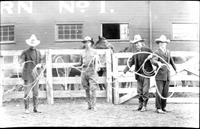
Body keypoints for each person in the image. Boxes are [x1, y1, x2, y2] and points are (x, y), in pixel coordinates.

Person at [123, 34, 154, 112]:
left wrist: (153, 60)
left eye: (138, 43)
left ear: (141, 42)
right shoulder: (135, 53)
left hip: (146, 74)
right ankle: (140, 106)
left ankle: (144, 106)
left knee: (145, 91)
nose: (136, 45)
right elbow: (130, 62)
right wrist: (124, 71)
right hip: (138, 75)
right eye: (135, 43)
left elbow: (155, 58)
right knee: (139, 91)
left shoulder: (147, 50)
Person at [151, 35, 177, 114]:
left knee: (165, 92)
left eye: (164, 42)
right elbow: (153, 60)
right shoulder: (156, 52)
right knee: (159, 92)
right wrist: (157, 63)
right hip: (159, 75)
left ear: (166, 43)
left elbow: (171, 61)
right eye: (161, 42)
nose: (163, 44)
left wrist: (176, 69)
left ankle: (163, 107)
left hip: (167, 75)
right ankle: (158, 108)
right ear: (159, 43)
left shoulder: (168, 52)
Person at [75, 36, 100, 111]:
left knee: (93, 89)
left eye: (88, 42)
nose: (87, 44)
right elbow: (80, 63)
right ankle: (89, 105)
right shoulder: (82, 53)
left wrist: (97, 66)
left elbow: (98, 63)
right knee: (86, 89)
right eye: (85, 42)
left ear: (91, 43)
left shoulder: (95, 52)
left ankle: (94, 105)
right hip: (84, 71)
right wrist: (74, 65)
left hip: (92, 71)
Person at [19, 34, 42, 114]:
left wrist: (40, 65)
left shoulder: (38, 52)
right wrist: (21, 63)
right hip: (27, 75)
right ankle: (26, 108)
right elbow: (21, 60)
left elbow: (40, 62)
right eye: (31, 44)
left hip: (35, 75)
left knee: (36, 92)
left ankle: (35, 108)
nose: (33, 46)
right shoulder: (25, 52)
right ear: (29, 44)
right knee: (27, 92)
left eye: (34, 44)